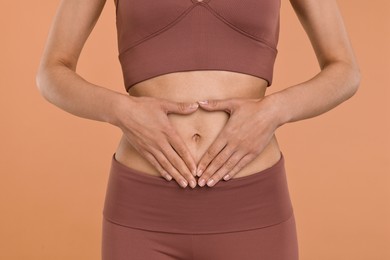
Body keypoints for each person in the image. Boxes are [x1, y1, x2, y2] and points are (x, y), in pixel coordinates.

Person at [36, 0, 360, 259]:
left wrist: (275, 110)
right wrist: (121, 111)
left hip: (252, 207)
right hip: (143, 210)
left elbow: (344, 69)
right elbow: (52, 72)